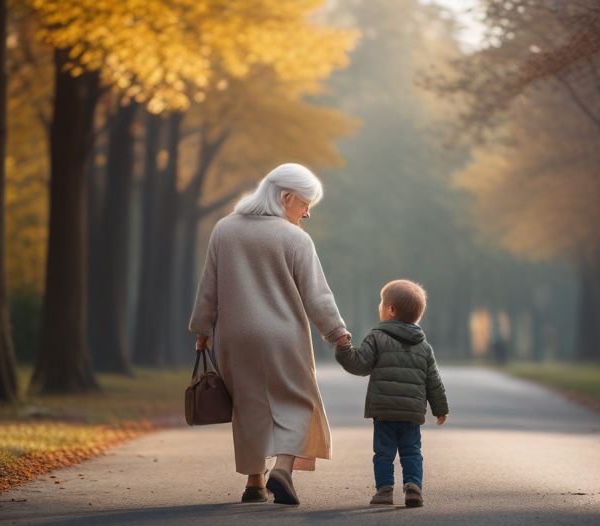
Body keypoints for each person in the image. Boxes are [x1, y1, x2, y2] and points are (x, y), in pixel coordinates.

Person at [189, 163, 351, 506]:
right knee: (297, 401)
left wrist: (202, 329)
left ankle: (254, 483)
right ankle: (282, 469)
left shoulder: (224, 229)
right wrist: (337, 333)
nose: (307, 213)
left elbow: (209, 286)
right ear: (287, 197)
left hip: (234, 338)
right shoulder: (295, 238)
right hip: (283, 335)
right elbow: (317, 296)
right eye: (306, 204)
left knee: (248, 405)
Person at [335, 280, 449, 508]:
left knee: (383, 453)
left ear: (391, 310)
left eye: (381, 302)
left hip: (384, 412)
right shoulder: (424, 346)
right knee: (412, 452)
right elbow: (434, 381)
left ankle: (385, 490)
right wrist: (440, 409)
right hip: (411, 414)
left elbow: (360, 365)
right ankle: (413, 486)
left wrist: (343, 348)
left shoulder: (377, 337)